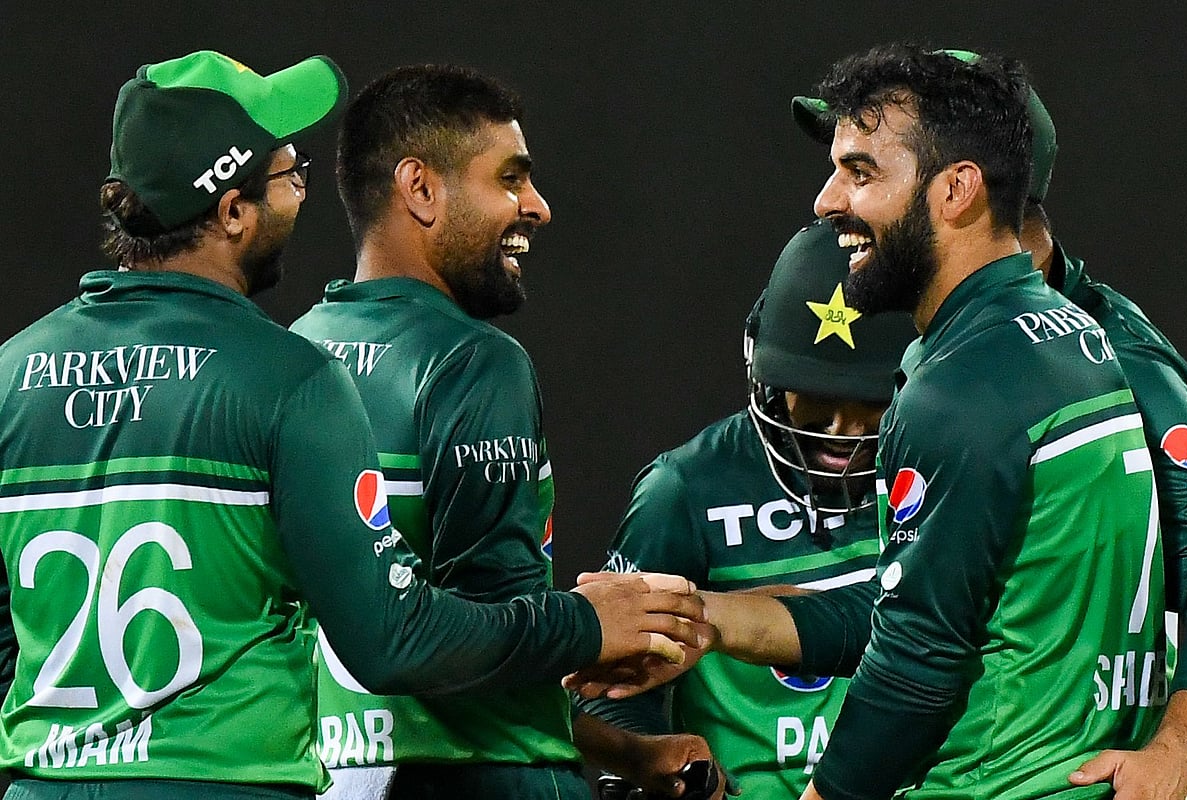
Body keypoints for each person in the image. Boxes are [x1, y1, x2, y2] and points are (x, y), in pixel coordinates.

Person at [0, 51, 704, 800]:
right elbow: (395, 640)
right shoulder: (288, 378)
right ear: (233, 211)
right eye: (289, 172)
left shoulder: (12, 373)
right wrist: (585, 622)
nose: (302, 193)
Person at [289, 63, 706, 800]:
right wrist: (594, 621)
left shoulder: (295, 351)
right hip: (478, 781)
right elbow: (483, 642)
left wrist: (627, 752)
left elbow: (447, 648)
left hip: (325, 775)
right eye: (510, 179)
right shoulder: (471, 363)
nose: (537, 207)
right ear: (420, 188)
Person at [794, 53, 1187, 799]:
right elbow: (956, 594)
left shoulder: (964, 384)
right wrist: (721, 620)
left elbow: (918, 657)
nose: (825, 202)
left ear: (957, 188)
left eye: (859, 172)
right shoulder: (1078, 335)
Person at [575, 218, 916, 798]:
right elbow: (613, 692)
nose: (843, 432)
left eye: (870, 403)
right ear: (765, 370)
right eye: (817, 397)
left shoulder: (940, 471)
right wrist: (665, 767)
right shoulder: (683, 491)